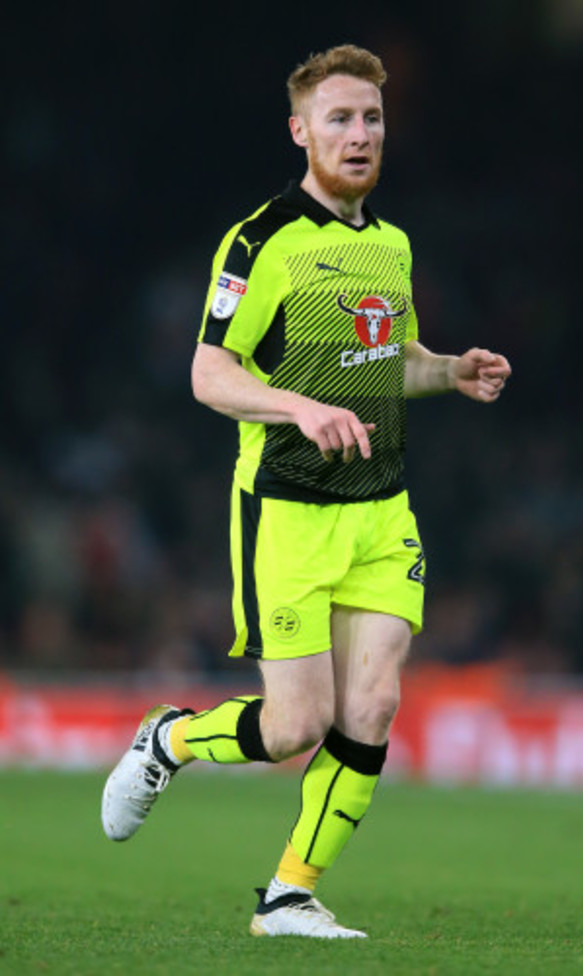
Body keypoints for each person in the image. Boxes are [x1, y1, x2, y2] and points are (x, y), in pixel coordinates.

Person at [101, 44, 511, 939]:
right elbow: (210, 374)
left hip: (380, 508)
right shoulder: (263, 241)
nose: (359, 135)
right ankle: (168, 738)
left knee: (374, 704)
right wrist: (298, 408)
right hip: (286, 509)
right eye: (339, 119)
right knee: (294, 728)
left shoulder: (391, 246)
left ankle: (289, 892)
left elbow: (385, 365)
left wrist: (451, 371)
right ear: (300, 132)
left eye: (371, 119)